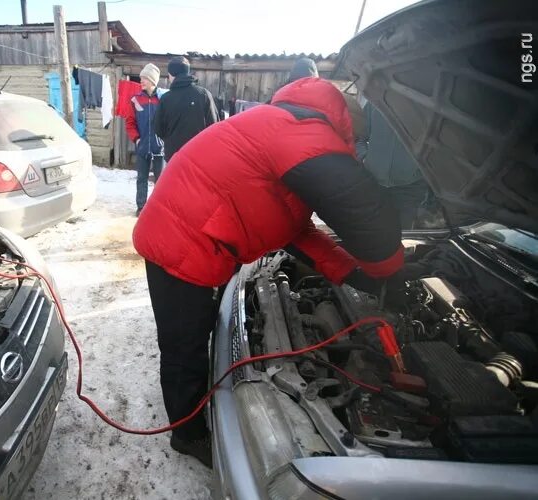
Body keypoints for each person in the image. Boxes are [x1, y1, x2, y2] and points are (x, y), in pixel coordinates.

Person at [133, 78, 409, 467]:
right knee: (184, 347)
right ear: (348, 125)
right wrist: (389, 266)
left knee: (197, 334)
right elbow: (362, 210)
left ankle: (197, 405)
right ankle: (188, 434)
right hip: (180, 245)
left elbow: (297, 229)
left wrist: (353, 273)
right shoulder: (303, 131)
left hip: (202, 238)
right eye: (361, 144)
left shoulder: (284, 125)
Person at [356, 102, 433, 229]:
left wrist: (419, 168)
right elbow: (359, 137)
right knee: (371, 232)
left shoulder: (425, 108)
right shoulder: (375, 103)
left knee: (403, 235)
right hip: (373, 182)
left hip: (410, 186)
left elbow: (436, 147)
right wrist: (364, 157)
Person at [154, 56, 219, 162]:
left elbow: (158, 129)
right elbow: (214, 125)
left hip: (174, 158)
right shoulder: (204, 95)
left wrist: (171, 140)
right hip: (199, 156)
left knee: (176, 179)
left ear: (172, 74)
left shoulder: (166, 98)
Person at [124, 63, 164, 217]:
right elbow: (130, 122)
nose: (141, 81)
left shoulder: (163, 99)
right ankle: (141, 207)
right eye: (141, 78)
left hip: (159, 148)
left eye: (144, 78)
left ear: (152, 80)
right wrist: (137, 139)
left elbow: (168, 121)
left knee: (160, 181)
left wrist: (164, 140)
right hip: (142, 148)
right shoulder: (135, 99)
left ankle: (159, 208)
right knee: (141, 179)